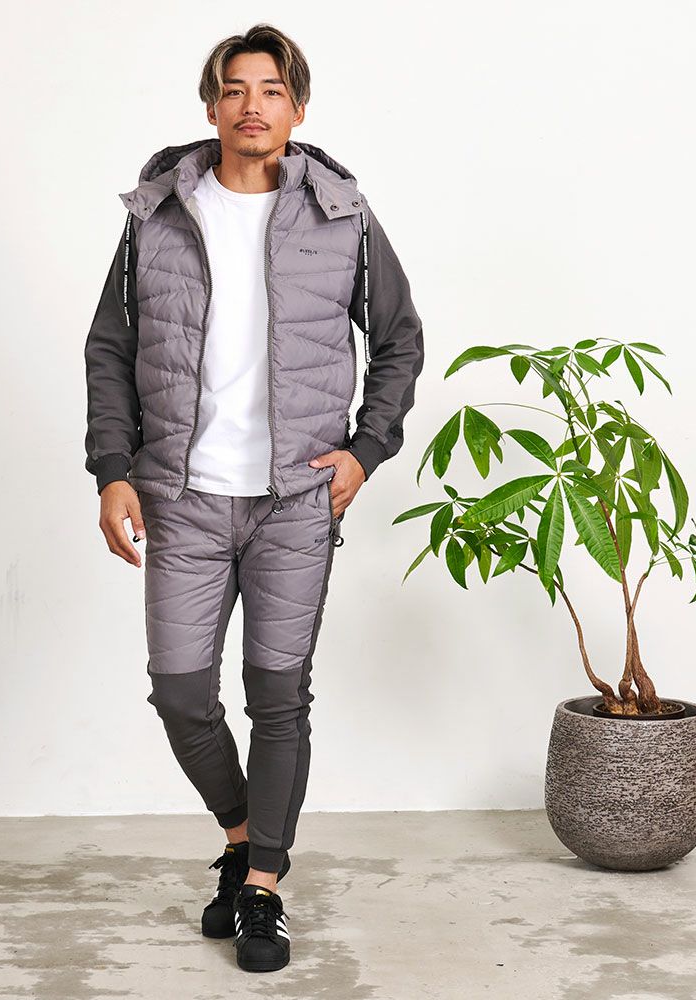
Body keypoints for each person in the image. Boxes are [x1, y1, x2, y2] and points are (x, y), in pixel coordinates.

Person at [84, 23, 424, 973]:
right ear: (211, 106)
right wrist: (113, 469)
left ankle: (263, 889)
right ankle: (243, 837)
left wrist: (365, 451)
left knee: (278, 697)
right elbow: (109, 347)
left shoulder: (343, 217)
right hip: (181, 495)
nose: (252, 105)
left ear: (297, 110)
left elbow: (398, 339)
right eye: (235, 89)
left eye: (271, 90)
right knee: (180, 692)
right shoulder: (158, 214)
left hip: (293, 501)